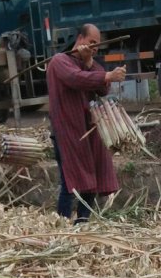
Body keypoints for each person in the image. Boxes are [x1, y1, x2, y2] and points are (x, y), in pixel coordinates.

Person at [47, 23, 126, 223]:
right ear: (80, 39)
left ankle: (82, 223)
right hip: (66, 133)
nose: (94, 47)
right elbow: (77, 79)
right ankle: (62, 222)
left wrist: (90, 61)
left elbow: (103, 90)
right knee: (69, 182)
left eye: (97, 45)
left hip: (88, 131)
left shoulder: (88, 63)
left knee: (91, 179)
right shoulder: (59, 61)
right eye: (91, 42)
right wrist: (107, 75)